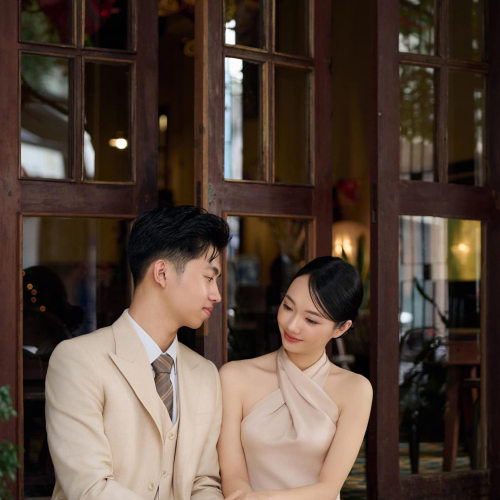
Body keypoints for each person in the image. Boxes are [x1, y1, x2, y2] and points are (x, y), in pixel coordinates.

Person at [45, 206, 230, 500]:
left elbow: (204, 483)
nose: (216, 294)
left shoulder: (205, 374)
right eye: (209, 277)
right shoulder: (77, 360)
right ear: (162, 272)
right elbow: (90, 488)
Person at [218, 257, 373, 500]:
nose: (291, 325)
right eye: (288, 307)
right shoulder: (234, 377)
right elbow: (233, 476)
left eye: (311, 320)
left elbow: (328, 488)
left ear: (341, 328)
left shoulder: (355, 390)